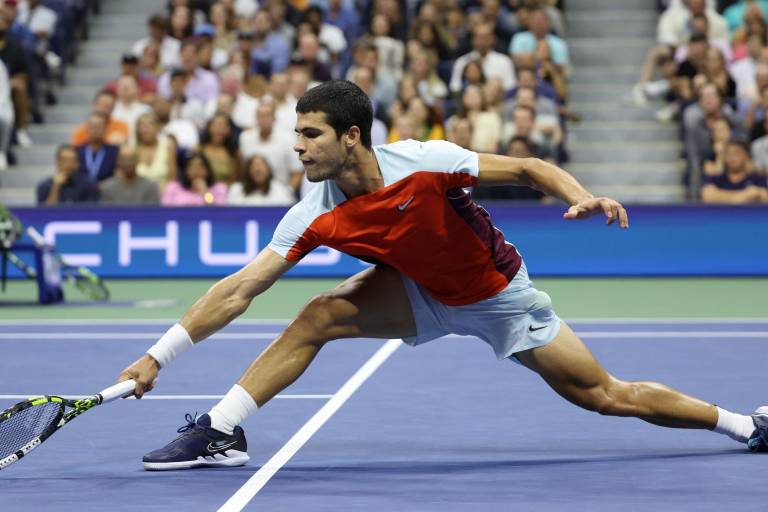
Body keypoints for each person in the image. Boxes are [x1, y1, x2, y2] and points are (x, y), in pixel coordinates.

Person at [117, 80, 767, 471]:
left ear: (351, 137)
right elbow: (240, 288)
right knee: (317, 315)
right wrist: (156, 356)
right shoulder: (314, 212)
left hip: (498, 296)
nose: (298, 146)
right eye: (297, 134)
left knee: (604, 395)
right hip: (416, 291)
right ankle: (222, 430)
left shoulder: (425, 162)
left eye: (311, 134)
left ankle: (744, 425)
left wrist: (582, 195)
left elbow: (529, 168)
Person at [701, 139, 768, 203]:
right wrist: (744, 195)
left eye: (736, 153)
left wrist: (720, 196)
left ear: (746, 156)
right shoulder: (716, 179)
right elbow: (707, 195)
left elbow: (765, 196)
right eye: (728, 154)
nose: (732, 157)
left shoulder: (757, 179)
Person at [161, 151, 227, 206]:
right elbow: (165, 211)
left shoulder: (219, 188)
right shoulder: (173, 187)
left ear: (208, 170)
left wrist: (205, 191)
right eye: (192, 167)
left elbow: (217, 212)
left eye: (200, 167)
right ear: (185, 170)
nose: (196, 171)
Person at [227, 154, 296, 206]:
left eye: (261, 165)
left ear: (268, 170)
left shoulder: (279, 189)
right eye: (253, 166)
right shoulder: (236, 190)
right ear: (247, 171)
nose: (257, 169)